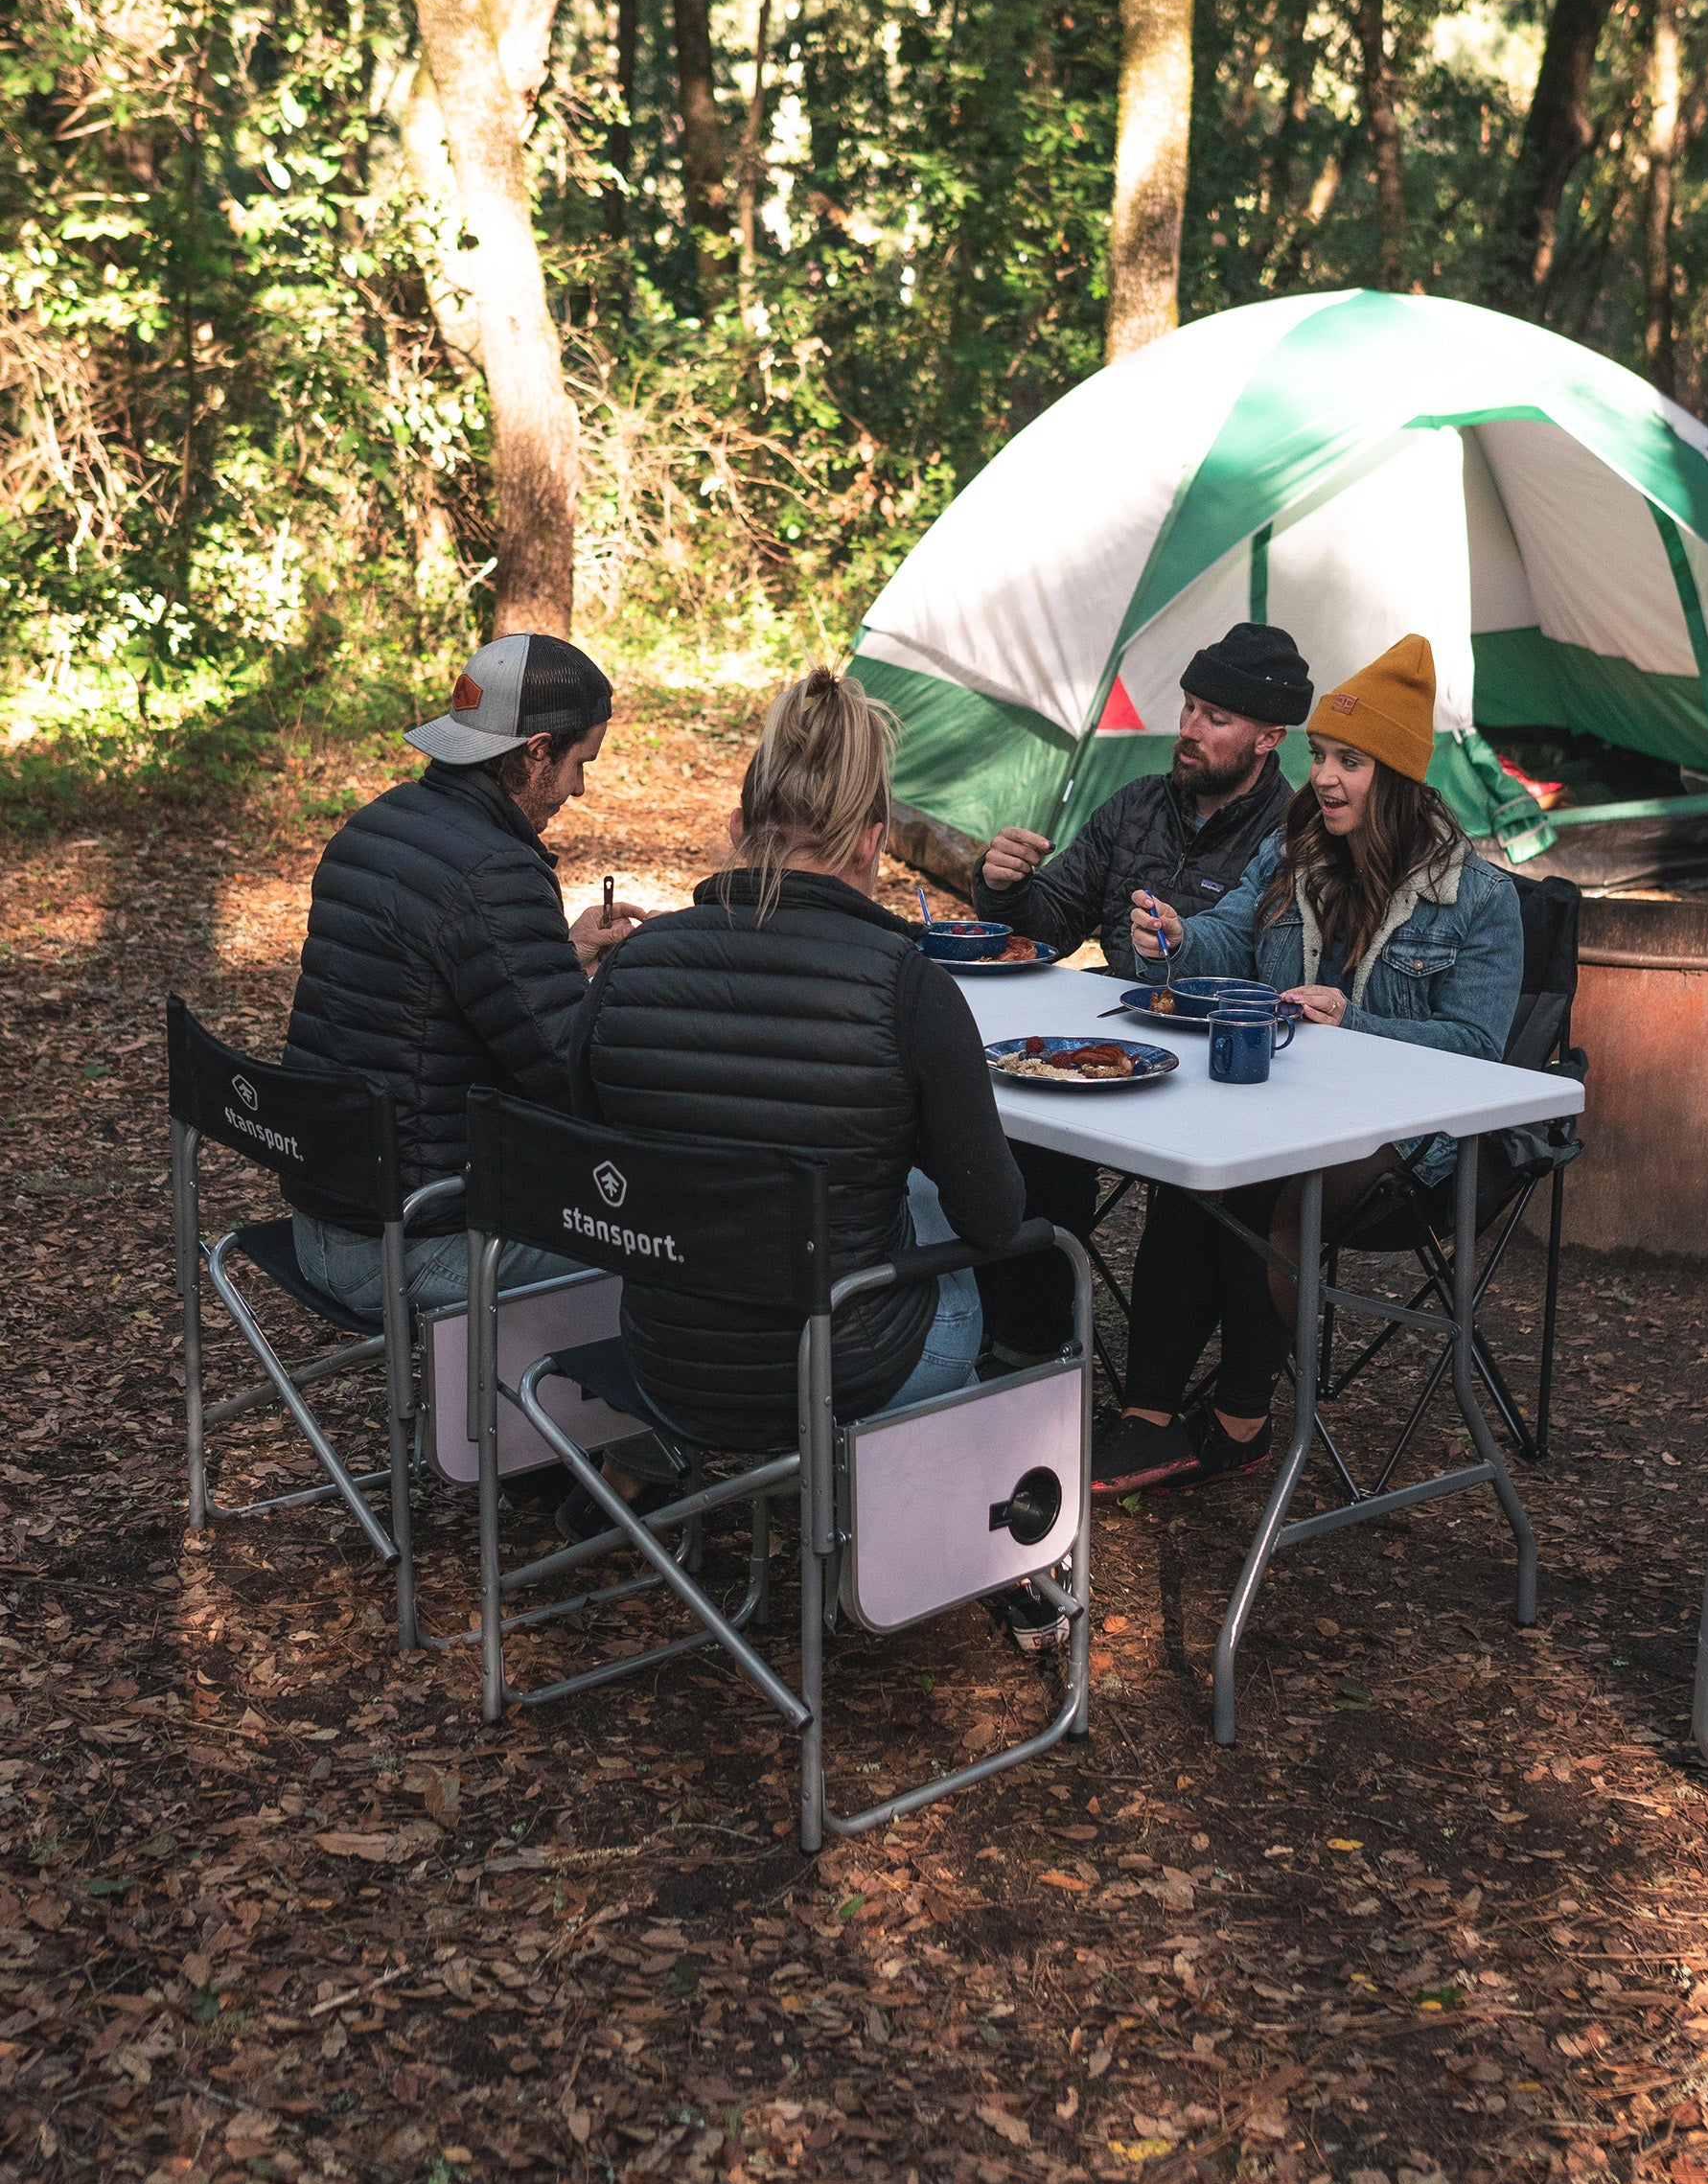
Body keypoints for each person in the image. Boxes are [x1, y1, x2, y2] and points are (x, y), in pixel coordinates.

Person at [576, 671, 1049, 1615]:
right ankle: (938, 1530)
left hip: (665, 1356)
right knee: (951, 1241)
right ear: (872, 839)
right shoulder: (907, 986)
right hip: (847, 1367)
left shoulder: (631, 968)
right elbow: (995, 1219)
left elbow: (590, 1145)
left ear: (742, 822)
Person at [1096, 632, 1523, 1495]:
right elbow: (1230, 938)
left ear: (1397, 777)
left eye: (1350, 762)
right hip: (1286, 1099)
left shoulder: (1478, 898)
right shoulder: (1296, 851)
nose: (1323, 777)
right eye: (1321, 754)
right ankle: (1149, 1420)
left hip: (1412, 1139)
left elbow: (1478, 1054)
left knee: (1260, 1179)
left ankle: (1241, 1423)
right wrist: (1176, 938)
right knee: (1191, 1168)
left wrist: (1354, 1025)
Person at [968, 620, 1312, 1364]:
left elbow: (1272, 969)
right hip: (1115, 1047)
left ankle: (1137, 1377)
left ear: (1268, 738)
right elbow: (1054, 922)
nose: (1188, 730)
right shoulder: (1137, 807)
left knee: (1187, 1196)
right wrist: (1006, 888)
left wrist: (1184, 948)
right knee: (1020, 1130)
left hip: (1219, 1070)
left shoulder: (1290, 837)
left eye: (1215, 718)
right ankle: (1019, 1348)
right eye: (1187, 708)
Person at [282, 632, 647, 1316]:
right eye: (579, 764)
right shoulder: (493, 871)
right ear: (536, 750)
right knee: (676, 1242)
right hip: (411, 1244)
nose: (580, 787)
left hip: (327, 1214)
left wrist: (558, 955)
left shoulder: (377, 824)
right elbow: (574, 1078)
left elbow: (420, 998)